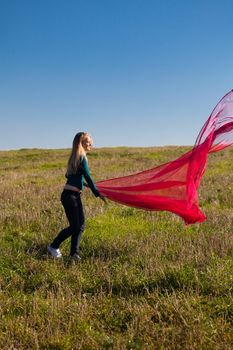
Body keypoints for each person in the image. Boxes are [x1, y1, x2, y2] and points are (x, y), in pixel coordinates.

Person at [48, 132, 106, 260]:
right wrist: (97, 193)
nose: (90, 143)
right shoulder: (81, 157)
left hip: (71, 195)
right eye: (87, 141)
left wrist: (93, 187)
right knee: (75, 226)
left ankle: (74, 254)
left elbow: (74, 178)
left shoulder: (74, 158)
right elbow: (87, 176)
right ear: (80, 143)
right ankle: (53, 246)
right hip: (70, 197)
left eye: (90, 141)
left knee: (80, 225)